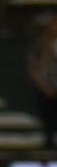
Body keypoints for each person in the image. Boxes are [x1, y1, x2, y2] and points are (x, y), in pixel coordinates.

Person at [28, 15, 57, 149]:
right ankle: (48, 140)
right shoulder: (40, 45)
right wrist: (44, 86)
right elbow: (33, 67)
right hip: (45, 86)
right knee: (47, 115)